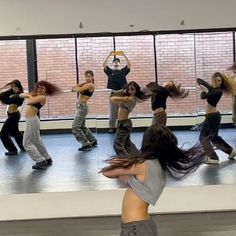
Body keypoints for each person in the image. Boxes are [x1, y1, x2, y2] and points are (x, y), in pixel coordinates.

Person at [101, 124, 207, 236]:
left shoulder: (143, 165)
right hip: (140, 226)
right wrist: (125, 174)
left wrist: (123, 169)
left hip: (135, 227)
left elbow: (107, 172)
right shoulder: (158, 167)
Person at [20, 80, 60, 170]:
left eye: (42, 88)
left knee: (26, 144)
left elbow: (29, 102)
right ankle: (47, 158)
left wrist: (28, 95)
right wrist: (27, 95)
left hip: (32, 121)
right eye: (39, 87)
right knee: (37, 141)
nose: (40, 89)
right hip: (32, 121)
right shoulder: (35, 95)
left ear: (45, 90)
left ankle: (40, 161)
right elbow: (21, 95)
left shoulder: (42, 97)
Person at [197, 72, 236, 164]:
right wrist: (204, 87)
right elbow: (200, 84)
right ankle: (230, 151)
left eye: (219, 80)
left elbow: (204, 96)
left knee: (203, 137)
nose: (218, 82)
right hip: (212, 116)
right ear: (213, 80)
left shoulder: (218, 91)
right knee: (213, 137)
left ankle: (213, 158)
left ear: (221, 82)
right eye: (216, 80)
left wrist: (204, 90)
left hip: (212, 117)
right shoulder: (213, 89)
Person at [110, 81, 150, 156]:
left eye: (132, 89)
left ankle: (126, 162)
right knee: (127, 144)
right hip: (123, 123)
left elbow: (112, 99)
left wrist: (120, 93)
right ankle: (139, 157)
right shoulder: (128, 97)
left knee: (117, 145)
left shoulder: (130, 98)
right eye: (129, 89)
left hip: (124, 124)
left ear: (136, 91)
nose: (130, 91)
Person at [103, 51, 131, 133]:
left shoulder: (123, 71)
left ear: (119, 63)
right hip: (114, 94)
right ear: (113, 64)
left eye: (117, 61)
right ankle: (112, 127)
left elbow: (129, 65)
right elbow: (104, 65)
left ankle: (121, 126)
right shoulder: (110, 71)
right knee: (113, 112)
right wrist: (109, 55)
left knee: (122, 111)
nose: (116, 63)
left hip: (122, 94)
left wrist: (124, 55)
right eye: (114, 61)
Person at [71, 70, 97, 151]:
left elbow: (77, 89)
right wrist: (79, 87)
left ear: (92, 77)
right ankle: (92, 140)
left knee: (75, 126)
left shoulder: (91, 85)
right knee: (82, 126)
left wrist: (78, 88)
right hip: (80, 107)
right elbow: (74, 88)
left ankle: (85, 143)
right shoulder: (85, 84)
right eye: (86, 76)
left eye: (89, 76)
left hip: (82, 107)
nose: (87, 78)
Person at [0, 80, 25, 155]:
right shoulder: (12, 92)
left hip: (14, 116)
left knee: (3, 134)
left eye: (15, 86)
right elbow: (3, 95)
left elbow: (8, 101)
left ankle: (12, 149)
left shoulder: (20, 95)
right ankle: (23, 147)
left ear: (19, 86)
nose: (14, 88)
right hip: (13, 115)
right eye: (12, 86)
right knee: (15, 132)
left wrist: (1, 97)